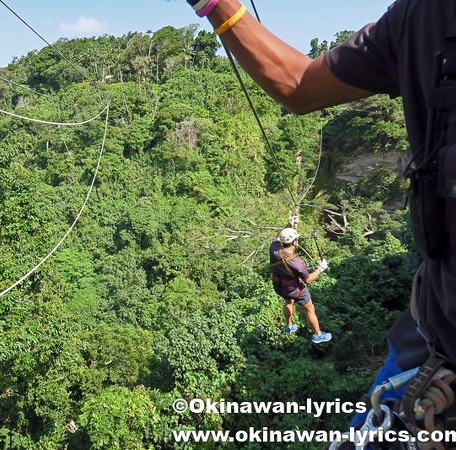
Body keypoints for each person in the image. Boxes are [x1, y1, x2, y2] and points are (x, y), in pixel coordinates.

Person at [184, 0, 456, 440]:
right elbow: (297, 84)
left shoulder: (422, 16)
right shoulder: (423, 16)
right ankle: (312, 333)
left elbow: (298, 84)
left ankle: (292, 326)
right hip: (432, 348)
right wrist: (319, 266)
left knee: (294, 304)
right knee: (307, 302)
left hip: (426, 338)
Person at [269, 216, 331, 343]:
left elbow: (278, 237)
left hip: (279, 285)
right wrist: (320, 268)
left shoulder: (274, 250)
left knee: (288, 302)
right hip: (294, 288)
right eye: (296, 239)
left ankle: (289, 326)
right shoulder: (297, 263)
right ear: (294, 243)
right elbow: (308, 280)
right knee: (310, 309)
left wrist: (290, 223)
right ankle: (318, 335)